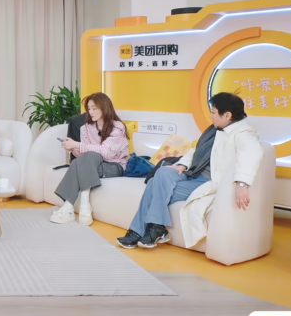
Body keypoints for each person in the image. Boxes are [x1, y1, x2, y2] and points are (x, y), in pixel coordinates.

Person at [116, 92, 263, 249]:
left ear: (227, 115)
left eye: (214, 112)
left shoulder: (244, 134)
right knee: (163, 172)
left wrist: (242, 184)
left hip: (209, 181)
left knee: (153, 184)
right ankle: (157, 228)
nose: (211, 116)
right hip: (193, 173)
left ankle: (139, 231)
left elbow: (250, 156)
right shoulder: (214, 130)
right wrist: (183, 165)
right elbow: (195, 151)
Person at [49, 92, 129, 226]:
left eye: (94, 108)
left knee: (85, 158)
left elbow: (106, 153)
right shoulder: (86, 127)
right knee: (82, 159)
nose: (90, 112)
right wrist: (73, 149)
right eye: (89, 108)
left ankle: (72, 206)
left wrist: (77, 144)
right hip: (92, 164)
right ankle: (82, 207)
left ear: (104, 107)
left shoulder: (117, 127)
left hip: (114, 165)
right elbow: (84, 155)